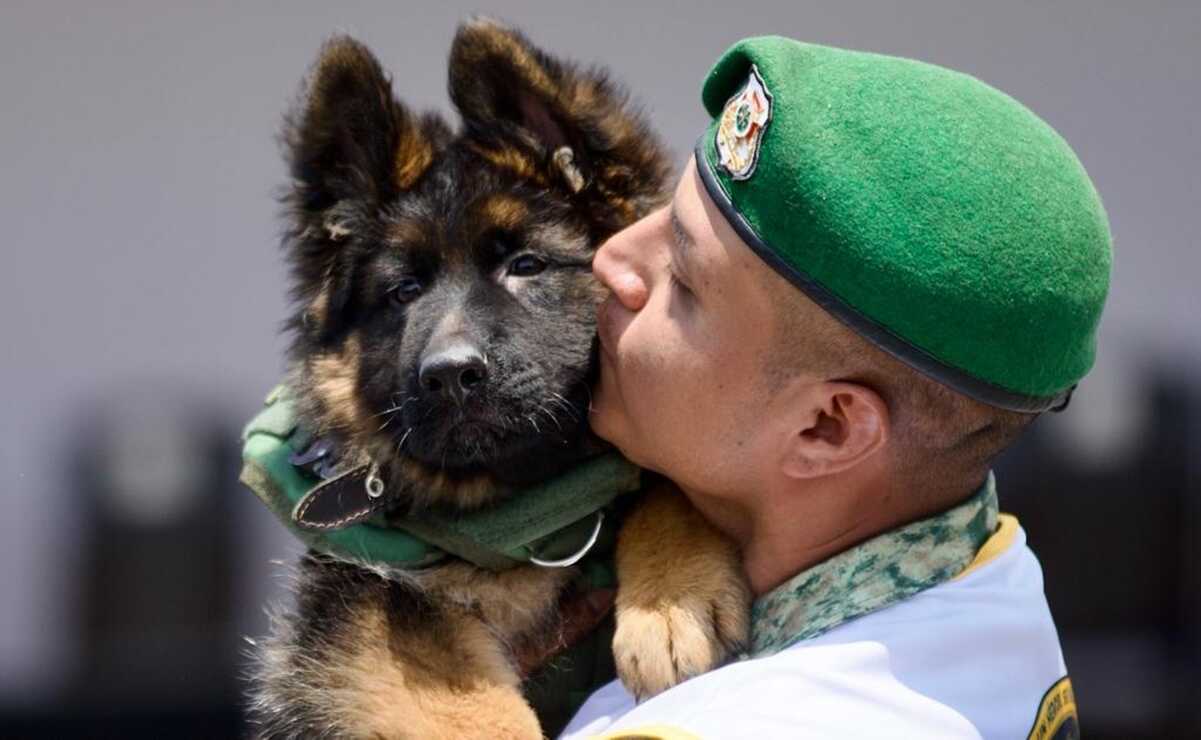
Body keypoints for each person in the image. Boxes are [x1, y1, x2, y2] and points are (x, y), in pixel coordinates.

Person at [560, 35, 1109, 739]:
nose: (611, 259)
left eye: (684, 282)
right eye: (664, 217)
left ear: (828, 427)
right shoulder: (985, 579)